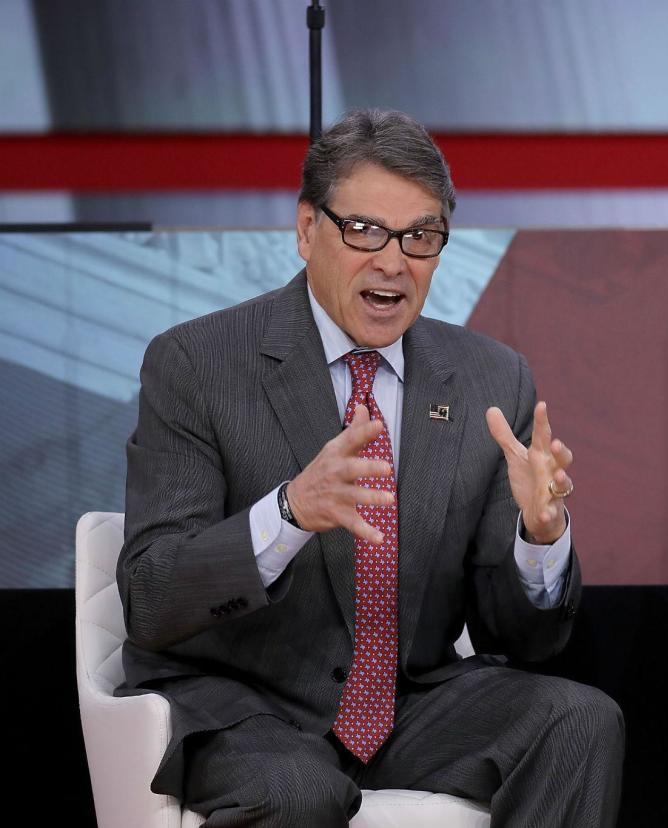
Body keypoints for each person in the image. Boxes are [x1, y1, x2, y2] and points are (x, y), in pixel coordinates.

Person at [117, 109, 623, 827]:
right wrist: (289, 513)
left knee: (578, 720)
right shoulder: (197, 364)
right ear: (306, 230)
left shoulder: (490, 378)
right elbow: (151, 593)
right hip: (246, 706)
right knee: (300, 794)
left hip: (410, 703)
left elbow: (525, 641)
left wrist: (539, 540)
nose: (393, 261)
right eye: (365, 231)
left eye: (420, 236)